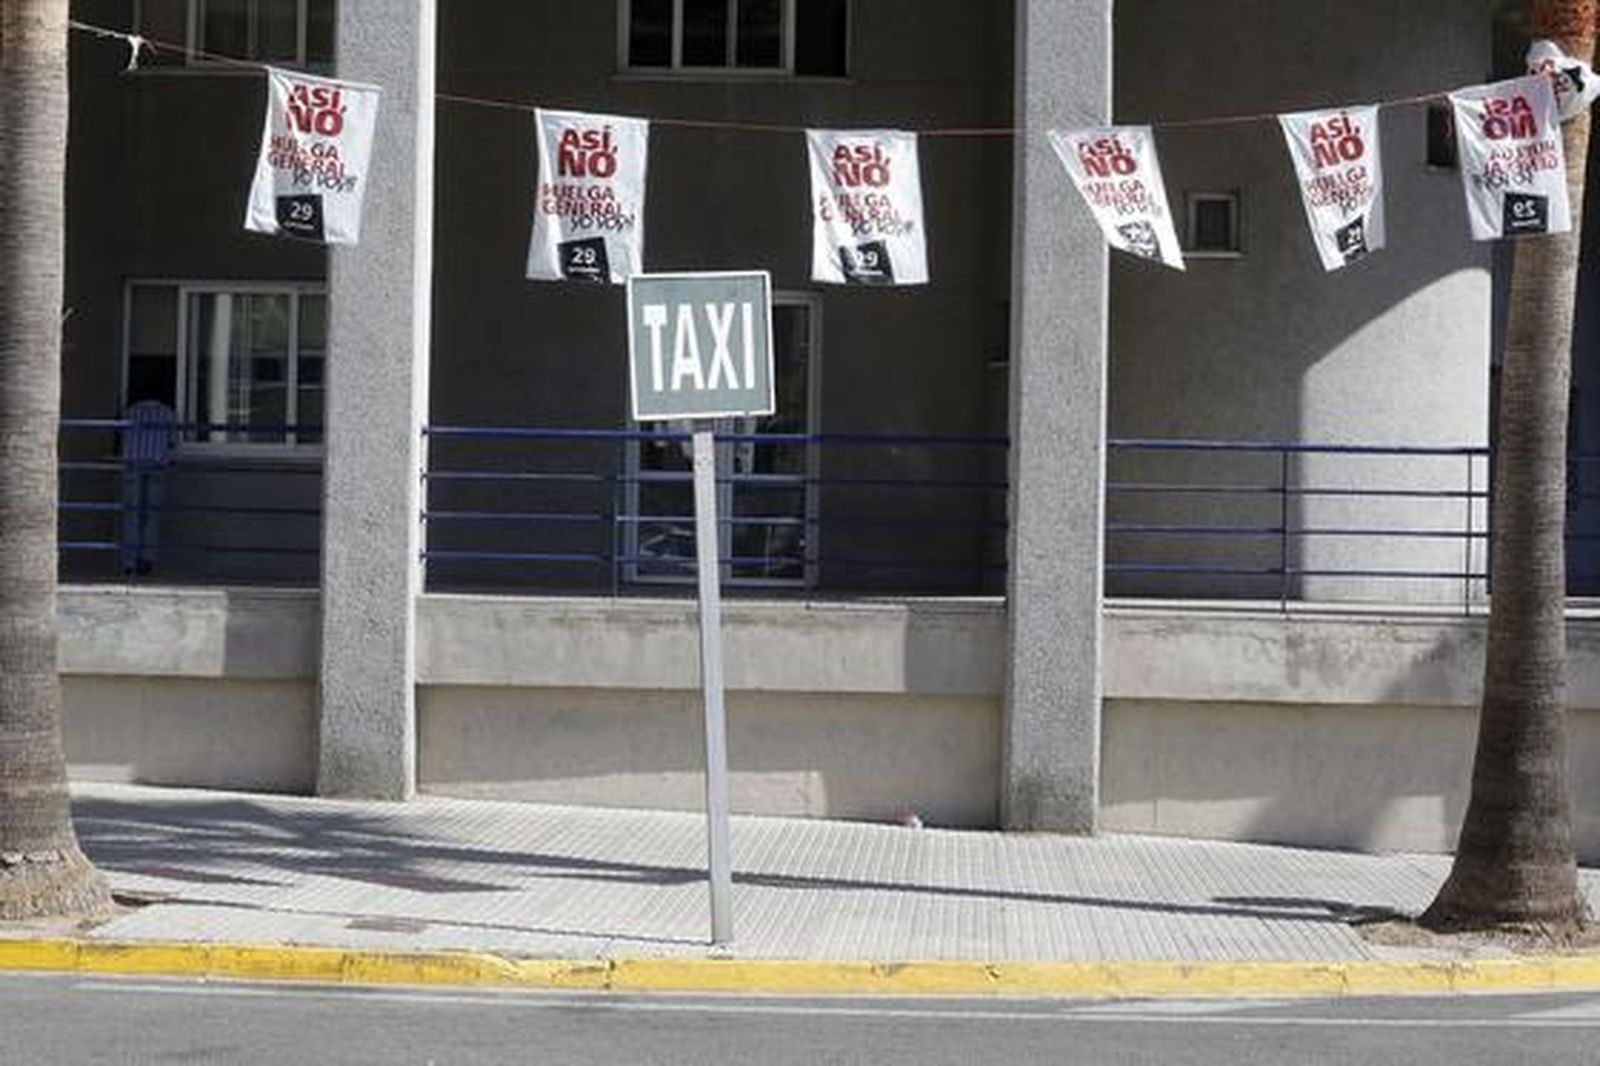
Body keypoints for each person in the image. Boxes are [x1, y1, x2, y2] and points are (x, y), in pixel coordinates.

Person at [119, 400, 180, 576]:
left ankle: (130, 562)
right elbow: (173, 443)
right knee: (152, 514)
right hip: (157, 465)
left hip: (132, 464)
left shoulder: (129, 412)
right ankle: (146, 559)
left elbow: (122, 438)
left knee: (131, 514)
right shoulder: (168, 414)